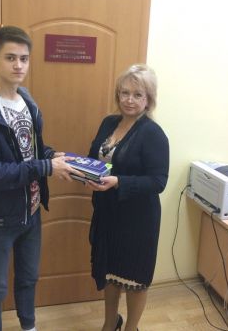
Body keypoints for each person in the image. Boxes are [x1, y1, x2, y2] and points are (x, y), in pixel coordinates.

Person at [0, 26, 83, 331]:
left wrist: (52, 156)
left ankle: (29, 327)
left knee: (28, 278)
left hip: (32, 210)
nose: (18, 65)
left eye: (24, 59)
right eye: (10, 57)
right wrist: (45, 166)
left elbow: (30, 150)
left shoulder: (26, 100)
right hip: (0, 217)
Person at [84, 64, 170, 331]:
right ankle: (110, 323)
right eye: (124, 93)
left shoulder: (153, 134)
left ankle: (131, 327)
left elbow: (158, 181)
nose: (129, 100)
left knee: (134, 279)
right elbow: (96, 157)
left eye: (137, 94)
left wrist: (119, 181)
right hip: (108, 212)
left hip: (138, 219)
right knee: (110, 274)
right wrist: (82, 170)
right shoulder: (109, 122)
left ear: (148, 99)